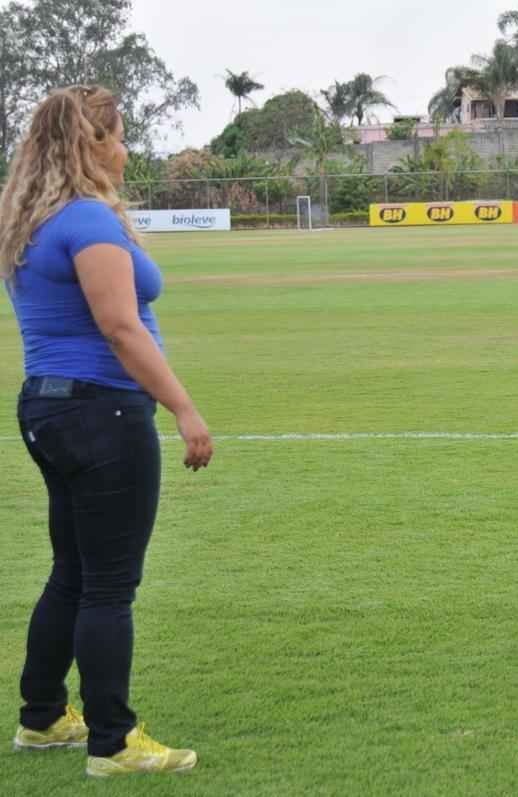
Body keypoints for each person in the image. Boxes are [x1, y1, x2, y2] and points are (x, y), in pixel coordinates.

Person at [1, 85, 213, 775]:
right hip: (104, 413)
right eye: (120, 137)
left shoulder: (30, 221)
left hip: (48, 407)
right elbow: (121, 329)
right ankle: (112, 741)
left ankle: (41, 718)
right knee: (109, 584)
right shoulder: (88, 220)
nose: (127, 149)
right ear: (92, 146)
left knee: (73, 568)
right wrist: (184, 407)